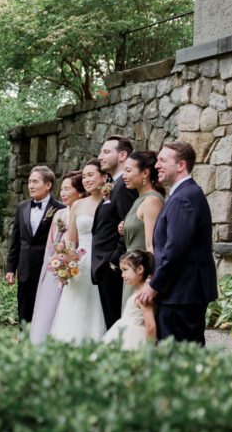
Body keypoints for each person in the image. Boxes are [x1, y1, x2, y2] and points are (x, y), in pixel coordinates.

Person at [135, 141, 218, 345]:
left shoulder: (183, 198)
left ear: (181, 165)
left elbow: (174, 249)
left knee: (177, 354)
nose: (157, 165)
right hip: (182, 291)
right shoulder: (185, 193)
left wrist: (154, 284)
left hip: (181, 293)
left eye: (163, 160)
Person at [48, 160, 108, 343]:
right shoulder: (78, 205)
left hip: (102, 261)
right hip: (80, 263)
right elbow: (70, 239)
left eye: (90, 175)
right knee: (75, 306)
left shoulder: (110, 202)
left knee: (97, 307)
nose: (86, 180)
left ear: (104, 177)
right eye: (84, 176)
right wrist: (66, 261)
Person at [30, 171, 86, 343]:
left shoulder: (85, 213)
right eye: (61, 189)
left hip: (78, 264)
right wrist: (54, 260)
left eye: (67, 189)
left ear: (80, 192)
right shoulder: (60, 214)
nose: (62, 193)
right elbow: (51, 244)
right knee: (48, 305)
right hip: (56, 266)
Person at [6, 166, 64, 326]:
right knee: (24, 311)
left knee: (45, 311)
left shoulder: (60, 208)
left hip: (48, 269)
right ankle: (24, 339)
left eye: (35, 182)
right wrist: (11, 268)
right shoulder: (22, 207)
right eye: (29, 182)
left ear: (48, 185)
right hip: (25, 269)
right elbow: (16, 240)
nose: (31, 186)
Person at [90, 135, 137, 328]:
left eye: (106, 152)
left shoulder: (125, 187)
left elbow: (130, 225)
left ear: (122, 155)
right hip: (105, 267)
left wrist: (113, 261)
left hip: (113, 268)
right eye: (101, 152)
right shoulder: (114, 185)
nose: (100, 156)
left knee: (116, 322)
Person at [118, 151, 166, 306]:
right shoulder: (140, 199)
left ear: (145, 173)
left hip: (141, 275)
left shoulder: (151, 201)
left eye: (128, 171)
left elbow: (152, 246)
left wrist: (150, 281)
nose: (124, 176)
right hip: (131, 271)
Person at [102, 249, 157, 349]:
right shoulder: (137, 292)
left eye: (125, 270)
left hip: (134, 339)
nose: (122, 275)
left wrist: (150, 349)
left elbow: (150, 326)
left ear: (140, 269)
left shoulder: (143, 296)